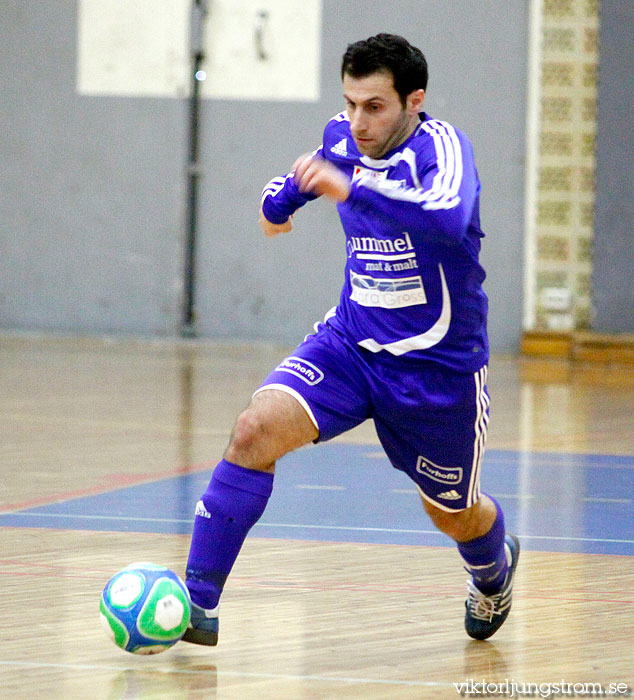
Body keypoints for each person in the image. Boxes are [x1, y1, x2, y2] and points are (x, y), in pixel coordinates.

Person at [182, 33, 519, 646]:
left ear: (413, 101)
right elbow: (308, 172)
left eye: (374, 107)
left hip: (436, 371)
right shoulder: (342, 137)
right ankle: (195, 604)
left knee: (451, 512)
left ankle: (493, 570)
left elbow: (446, 217)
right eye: (350, 103)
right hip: (349, 346)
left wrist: (352, 188)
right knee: (254, 430)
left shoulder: (444, 149)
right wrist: (279, 203)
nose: (357, 121)